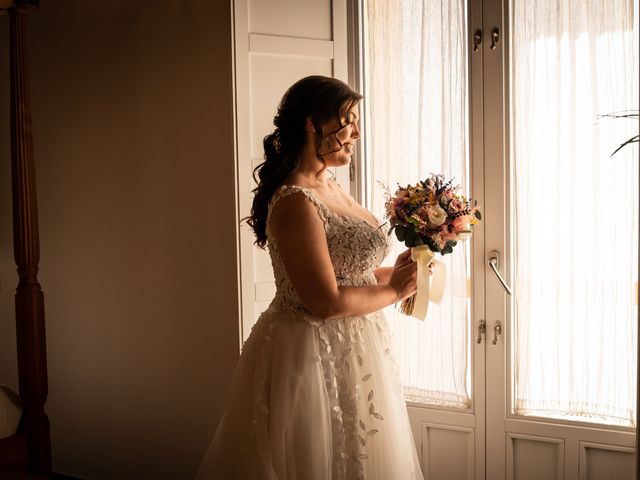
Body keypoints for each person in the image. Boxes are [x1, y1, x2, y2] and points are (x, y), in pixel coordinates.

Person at [195, 75, 424, 479]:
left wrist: (403, 272)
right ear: (311, 123)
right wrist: (393, 290)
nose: (356, 132)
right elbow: (325, 301)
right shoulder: (295, 201)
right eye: (347, 120)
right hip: (309, 353)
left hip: (359, 349)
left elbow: (354, 274)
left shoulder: (331, 184)